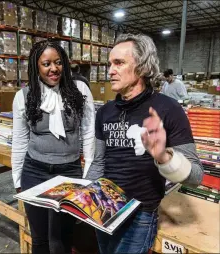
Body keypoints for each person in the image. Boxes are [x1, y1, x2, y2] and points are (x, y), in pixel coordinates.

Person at [86, 33, 203, 254]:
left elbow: (196, 176)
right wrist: (84, 196)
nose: (110, 70)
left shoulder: (168, 109)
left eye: (119, 63)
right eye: (109, 64)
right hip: (104, 208)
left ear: (142, 66)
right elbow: (98, 162)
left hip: (140, 215)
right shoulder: (105, 112)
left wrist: (164, 157)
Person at [11, 40, 95, 254]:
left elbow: (88, 132)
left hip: (69, 172)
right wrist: (18, 179)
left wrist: (87, 174)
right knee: (39, 237)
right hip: (34, 171)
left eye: (58, 62)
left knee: (63, 237)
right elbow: (20, 140)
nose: (53, 68)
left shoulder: (80, 90)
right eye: (46, 63)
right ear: (36, 66)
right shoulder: (23, 97)